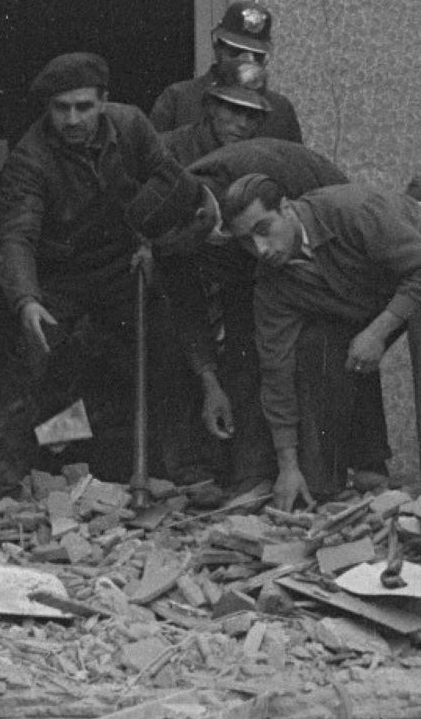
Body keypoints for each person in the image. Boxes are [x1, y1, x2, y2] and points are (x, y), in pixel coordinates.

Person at [129, 138, 390, 497]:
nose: (168, 255)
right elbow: (188, 311)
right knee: (245, 350)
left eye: (173, 247)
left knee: (340, 339)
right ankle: (253, 475)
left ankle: (369, 461)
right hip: (240, 263)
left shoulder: (255, 182)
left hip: (316, 236)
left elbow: (315, 225)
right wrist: (210, 383)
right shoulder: (173, 225)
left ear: (200, 219)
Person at [0, 52, 186, 490]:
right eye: (61, 108)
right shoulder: (30, 158)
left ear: (104, 101)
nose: (72, 119)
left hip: (122, 266)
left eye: (84, 107)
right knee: (32, 356)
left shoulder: (132, 127)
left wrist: (151, 241)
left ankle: (183, 468)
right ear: (47, 109)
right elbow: (16, 236)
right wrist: (27, 301)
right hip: (59, 277)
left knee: (166, 344)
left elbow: (169, 179)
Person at [221, 175, 421, 511]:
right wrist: (288, 467)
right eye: (246, 241)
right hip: (375, 286)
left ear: (286, 208)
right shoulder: (273, 285)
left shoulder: (352, 210)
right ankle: (351, 474)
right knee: (318, 343)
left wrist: (376, 332)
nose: (260, 249)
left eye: (263, 229)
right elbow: (276, 373)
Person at [150, 1, 302, 143]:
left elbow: (293, 166)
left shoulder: (280, 109)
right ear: (218, 48)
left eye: (257, 55)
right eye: (236, 51)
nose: (246, 60)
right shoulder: (178, 99)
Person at [163, 59, 274, 165]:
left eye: (252, 116)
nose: (243, 124)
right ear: (211, 106)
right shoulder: (167, 150)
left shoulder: (259, 160)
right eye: (235, 110)